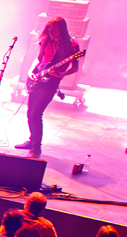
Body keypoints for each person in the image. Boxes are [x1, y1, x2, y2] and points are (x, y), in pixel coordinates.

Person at [19, 15, 81, 153]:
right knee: (30, 113)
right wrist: (30, 71)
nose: (51, 33)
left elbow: (75, 68)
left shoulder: (72, 45)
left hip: (51, 83)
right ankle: (32, 140)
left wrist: (61, 74)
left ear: (62, 30)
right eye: (50, 30)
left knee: (36, 114)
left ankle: (36, 147)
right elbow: (39, 59)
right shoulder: (46, 40)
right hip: (37, 78)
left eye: (54, 30)